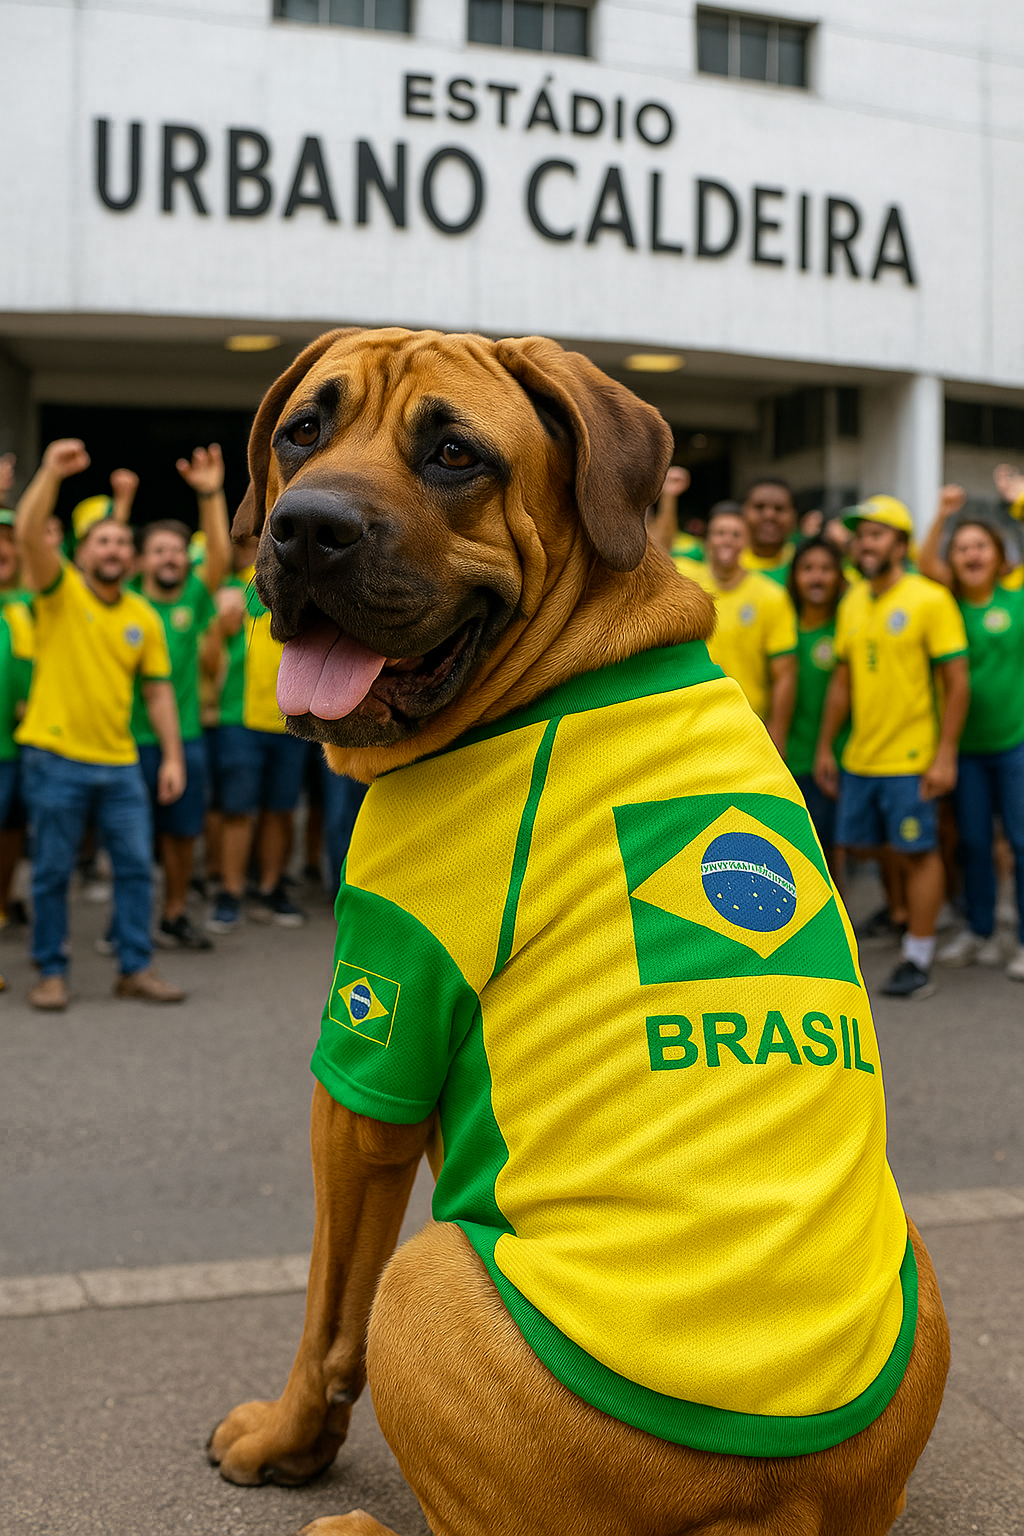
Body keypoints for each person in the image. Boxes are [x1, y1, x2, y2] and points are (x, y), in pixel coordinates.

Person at [14, 439, 186, 1010]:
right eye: (102, 541)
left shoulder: (144, 616)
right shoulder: (58, 592)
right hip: (54, 759)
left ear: (131, 559)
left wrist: (173, 756)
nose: (112, 548)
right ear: (80, 553)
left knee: (137, 869)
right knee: (52, 872)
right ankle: (51, 970)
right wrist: (48, 474)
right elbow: (27, 530)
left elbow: (158, 694)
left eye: (120, 541)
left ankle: (134, 968)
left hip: (118, 764)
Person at [814, 495, 970, 999]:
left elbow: (957, 681)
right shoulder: (853, 599)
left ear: (901, 544)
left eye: (878, 534)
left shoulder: (930, 598)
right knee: (874, 847)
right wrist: (824, 747)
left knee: (919, 851)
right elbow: (842, 683)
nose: (866, 543)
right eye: (861, 535)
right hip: (861, 754)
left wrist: (945, 753)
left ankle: (918, 956)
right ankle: (900, 919)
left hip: (910, 758)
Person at [127, 445, 231, 950]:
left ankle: (173, 913)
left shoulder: (194, 594)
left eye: (175, 550)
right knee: (129, 837)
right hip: (125, 740)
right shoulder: (126, 600)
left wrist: (210, 494)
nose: (170, 557)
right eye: (159, 550)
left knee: (181, 834)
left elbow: (217, 555)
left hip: (185, 737)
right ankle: (127, 922)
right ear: (141, 560)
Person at [919, 488, 1024, 980]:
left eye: (980, 546)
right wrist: (944, 515)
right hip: (965, 749)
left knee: (1021, 842)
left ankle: (1020, 938)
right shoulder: (944, 604)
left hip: (1015, 743)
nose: (971, 554)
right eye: (962, 548)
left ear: (999, 555)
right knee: (976, 843)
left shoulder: (1017, 600)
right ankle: (980, 929)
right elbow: (923, 563)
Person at [202, 538, 309, 932]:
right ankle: (229, 894)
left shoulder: (299, 583)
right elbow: (208, 664)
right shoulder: (236, 588)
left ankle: (271, 889)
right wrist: (218, 628)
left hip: (291, 718)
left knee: (282, 811)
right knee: (237, 811)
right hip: (240, 720)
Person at [693, 503, 797, 753]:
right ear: (707, 541)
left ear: (747, 542)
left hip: (748, 725)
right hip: (695, 723)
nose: (727, 540)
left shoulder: (771, 595)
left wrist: (777, 735)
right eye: (719, 533)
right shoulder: (688, 589)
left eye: (736, 534)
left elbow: (785, 673)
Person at [785, 537, 847, 866]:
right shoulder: (783, 629)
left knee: (827, 853)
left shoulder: (845, 628)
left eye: (826, 569)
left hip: (831, 761)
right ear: (794, 576)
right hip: (787, 758)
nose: (817, 577)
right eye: (808, 569)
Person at [739, 477, 798, 584]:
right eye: (759, 507)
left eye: (779, 508)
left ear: (793, 516)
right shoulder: (726, 565)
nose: (769, 515)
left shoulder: (805, 565)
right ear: (744, 512)